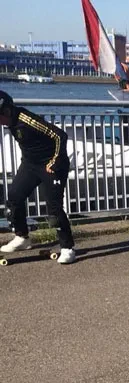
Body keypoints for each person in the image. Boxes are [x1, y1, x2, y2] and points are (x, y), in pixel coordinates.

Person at [0, 90, 76, 263]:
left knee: (54, 209)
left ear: (7, 110)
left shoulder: (27, 120)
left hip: (52, 165)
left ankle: (67, 248)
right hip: (30, 164)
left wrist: (54, 162)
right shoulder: (9, 122)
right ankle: (22, 237)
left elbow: (59, 136)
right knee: (14, 198)